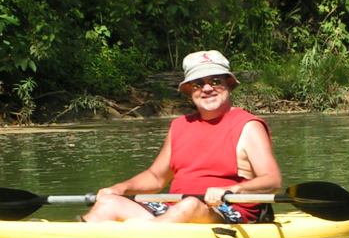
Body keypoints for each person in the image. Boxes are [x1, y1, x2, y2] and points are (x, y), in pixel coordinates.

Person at [81, 50, 282, 223]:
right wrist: (120, 188)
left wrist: (231, 190)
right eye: (197, 84)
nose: (207, 88)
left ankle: (144, 237)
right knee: (108, 202)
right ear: (188, 91)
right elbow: (156, 178)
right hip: (174, 209)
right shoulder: (179, 126)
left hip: (227, 210)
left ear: (228, 84)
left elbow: (271, 180)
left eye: (215, 81)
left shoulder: (248, 126)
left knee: (190, 205)